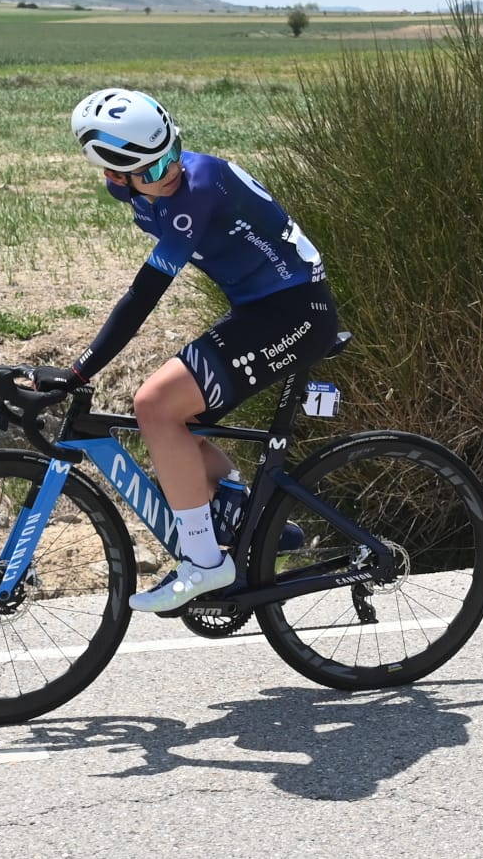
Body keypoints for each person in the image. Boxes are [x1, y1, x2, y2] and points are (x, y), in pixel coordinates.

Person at [36, 87, 339, 613]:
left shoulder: (194, 189)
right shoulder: (139, 191)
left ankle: (204, 562)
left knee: (155, 405)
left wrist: (79, 371)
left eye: (172, 151)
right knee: (176, 423)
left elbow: (143, 296)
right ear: (115, 178)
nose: (170, 171)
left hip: (293, 313)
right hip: (262, 309)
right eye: (152, 169)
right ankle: (244, 514)